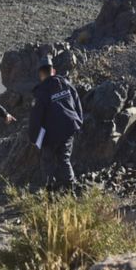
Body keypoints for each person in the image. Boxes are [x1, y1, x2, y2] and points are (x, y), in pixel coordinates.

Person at [29, 56, 83, 193]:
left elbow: (36, 117)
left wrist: (34, 138)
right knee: (64, 159)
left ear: (40, 73)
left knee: (47, 161)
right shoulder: (65, 83)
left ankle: (50, 192)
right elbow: (77, 103)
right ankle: (70, 190)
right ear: (53, 70)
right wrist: (79, 122)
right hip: (69, 127)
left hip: (51, 132)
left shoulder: (41, 92)